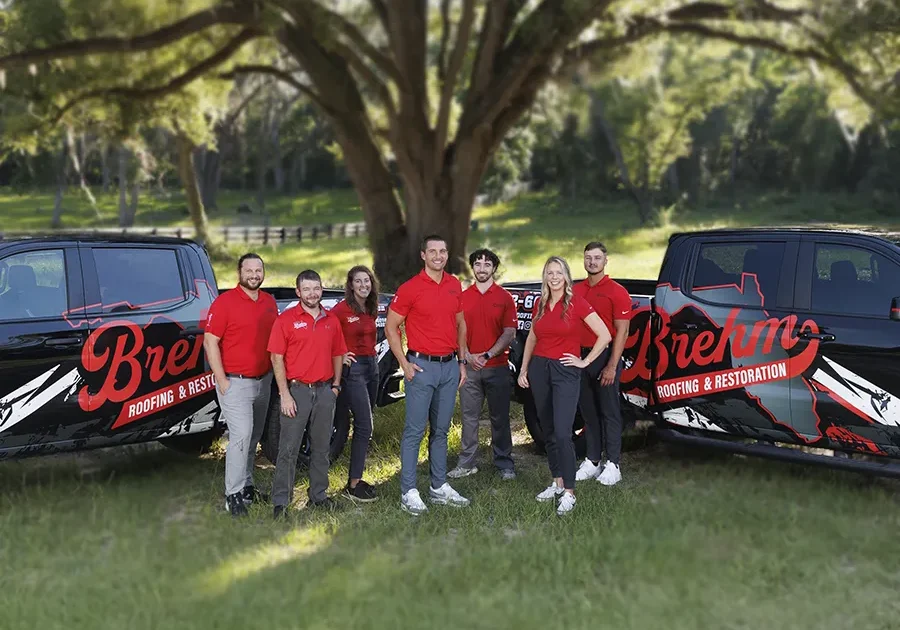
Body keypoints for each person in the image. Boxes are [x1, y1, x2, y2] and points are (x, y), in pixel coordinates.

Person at [517, 256, 611, 515]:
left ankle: (569, 491)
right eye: (550, 272)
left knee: (562, 432)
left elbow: (605, 335)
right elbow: (533, 337)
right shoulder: (541, 303)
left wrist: (584, 361)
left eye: (559, 272)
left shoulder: (577, 303)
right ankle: (557, 482)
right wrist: (524, 368)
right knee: (548, 430)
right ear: (545, 276)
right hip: (539, 369)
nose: (554, 276)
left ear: (567, 276)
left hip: (565, 372)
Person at [386, 234, 471, 516]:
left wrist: (461, 362)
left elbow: (460, 325)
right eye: (432, 251)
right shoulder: (410, 288)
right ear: (423, 255)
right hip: (421, 368)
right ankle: (408, 491)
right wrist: (404, 364)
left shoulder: (454, 284)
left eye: (443, 251)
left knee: (442, 431)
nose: (438, 256)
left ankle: (438, 487)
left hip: (449, 367)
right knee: (414, 431)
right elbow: (391, 327)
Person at [203, 252, 279, 518]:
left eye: (259, 270)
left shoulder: (269, 302)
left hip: (263, 381)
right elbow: (210, 342)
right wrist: (222, 380)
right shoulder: (225, 303)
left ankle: (247, 486)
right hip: (235, 382)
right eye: (249, 270)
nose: (255, 275)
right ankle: (232, 495)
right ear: (239, 272)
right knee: (241, 436)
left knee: (253, 437)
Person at [267, 269, 347, 519]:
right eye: (307, 289)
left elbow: (338, 353)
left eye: (316, 288)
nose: (312, 293)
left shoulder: (331, 320)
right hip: (297, 391)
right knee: (288, 449)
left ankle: (319, 496)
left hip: (324, 392)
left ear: (321, 290)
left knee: (321, 448)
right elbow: (276, 358)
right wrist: (285, 394)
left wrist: (335, 385)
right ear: (298, 291)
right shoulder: (286, 320)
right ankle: (281, 502)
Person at [448, 248, 518, 481]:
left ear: (494, 269)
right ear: (472, 268)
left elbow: (509, 332)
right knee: (469, 418)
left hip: (496, 367)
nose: (482, 268)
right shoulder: (463, 297)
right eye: (477, 264)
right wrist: (467, 355)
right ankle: (467, 463)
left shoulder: (505, 298)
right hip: (469, 368)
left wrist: (486, 355)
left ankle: (504, 463)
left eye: (487, 264)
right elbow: (456, 330)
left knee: (500, 417)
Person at [573, 241, 632, 486]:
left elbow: (622, 332)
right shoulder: (575, 290)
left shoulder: (617, 291)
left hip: (605, 358)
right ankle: (593, 460)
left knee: (609, 412)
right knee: (588, 413)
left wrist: (611, 366)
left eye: (597, 258)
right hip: (581, 359)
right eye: (588, 258)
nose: (592, 262)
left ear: (606, 260)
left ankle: (613, 464)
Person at [330, 265, 381, 502]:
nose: (364, 285)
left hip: (372, 366)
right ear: (350, 285)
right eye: (358, 282)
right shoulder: (340, 311)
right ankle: (353, 485)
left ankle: (356, 478)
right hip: (354, 370)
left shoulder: (370, 308)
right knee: (365, 426)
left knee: (365, 424)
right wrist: (341, 356)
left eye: (367, 281)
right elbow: (327, 337)